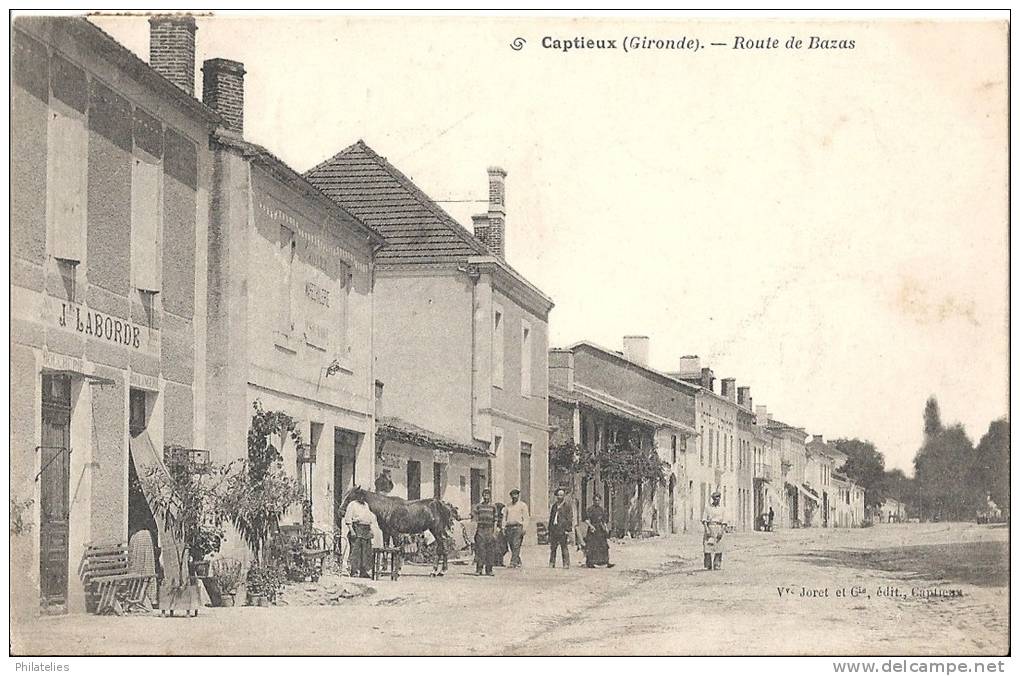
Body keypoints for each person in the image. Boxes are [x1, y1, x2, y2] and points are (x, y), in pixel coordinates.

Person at [344, 491, 375, 578]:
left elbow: (368, 518)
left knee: (366, 551)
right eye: (360, 496)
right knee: (355, 551)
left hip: (366, 529)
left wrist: (371, 530)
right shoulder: (352, 505)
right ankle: (354, 571)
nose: (362, 498)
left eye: (364, 497)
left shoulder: (366, 505)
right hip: (356, 528)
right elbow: (348, 519)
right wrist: (352, 530)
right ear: (357, 496)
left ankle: (363, 571)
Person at [471, 488, 498, 576]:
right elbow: (474, 518)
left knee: (490, 551)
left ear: (490, 496)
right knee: (480, 550)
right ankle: (479, 569)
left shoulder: (493, 506)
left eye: (488, 495)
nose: (486, 496)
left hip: (489, 529)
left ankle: (489, 570)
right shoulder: (478, 506)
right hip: (481, 529)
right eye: (485, 495)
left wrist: (494, 532)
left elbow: (496, 520)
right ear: (482, 496)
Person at [583, 495, 613, 568]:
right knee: (592, 545)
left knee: (603, 545)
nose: (597, 502)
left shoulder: (601, 510)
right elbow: (586, 519)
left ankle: (605, 562)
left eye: (598, 500)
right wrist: (591, 526)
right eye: (595, 500)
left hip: (600, 529)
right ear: (593, 501)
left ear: (600, 501)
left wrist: (606, 528)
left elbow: (603, 521)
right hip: (593, 529)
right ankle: (591, 562)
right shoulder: (590, 509)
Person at [548, 488, 574, 568]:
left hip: (562, 529)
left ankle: (566, 563)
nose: (560, 497)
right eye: (558, 495)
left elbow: (569, 518)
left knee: (564, 547)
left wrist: (567, 530)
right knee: (553, 548)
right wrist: (549, 529)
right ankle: (552, 563)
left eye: (561, 495)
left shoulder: (567, 506)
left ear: (564, 496)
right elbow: (551, 518)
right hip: (554, 529)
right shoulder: (554, 506)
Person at [503, 489, 529, 568]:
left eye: (516, 495)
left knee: (516, 544)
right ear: (511, 496)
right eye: (513, 495)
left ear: (518, 495)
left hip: (518, 527)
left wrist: (524, 528)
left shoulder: (523, 505)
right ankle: (518, 561)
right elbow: (504, 517)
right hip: (509, 527)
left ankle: (513, 562)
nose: (514, 496)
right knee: (511, 545)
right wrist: (503, 527)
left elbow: (526, 517)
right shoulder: (508, 506)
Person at [702, 491, 727, 570]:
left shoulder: (722, 509)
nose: (717, 500)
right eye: (715, 498)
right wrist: (707, 529)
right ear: (713, 499)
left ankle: (717, 564)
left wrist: (722, 531)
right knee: (708, 546)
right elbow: (704, 520)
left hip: (719, 527)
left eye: (718, 498)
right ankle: (708, 564)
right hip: (710, 527)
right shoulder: (708, 508)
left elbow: (725, 521)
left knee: (719, 547)